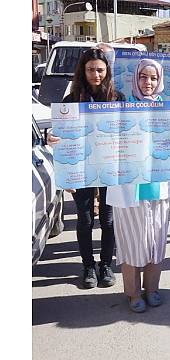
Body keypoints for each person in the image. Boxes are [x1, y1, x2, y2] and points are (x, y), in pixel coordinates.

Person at [106, 58, 170, 312]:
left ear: (159, 80)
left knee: (155, 240)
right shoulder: (121, 109)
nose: (148, 82)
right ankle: (132, 293)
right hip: (129, 188)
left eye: (152, 78)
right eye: (142, 77)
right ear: (135, 79)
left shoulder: (168, 112)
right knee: (131, 242)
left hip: (158, 188)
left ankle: (152, 289)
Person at [48, 48, 125, 289]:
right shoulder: (71, 102)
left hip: (110, 167)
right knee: (84, 219)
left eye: (100, 70)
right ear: (83, 71)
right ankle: (88, 266)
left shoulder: (117, 98)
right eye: (90, 69)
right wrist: (53, 138)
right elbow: (62, 135)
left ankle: (106, 265)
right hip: (81, 168)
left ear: (107, 71)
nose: (96, 74)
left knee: (108, 219)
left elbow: (129, 133)